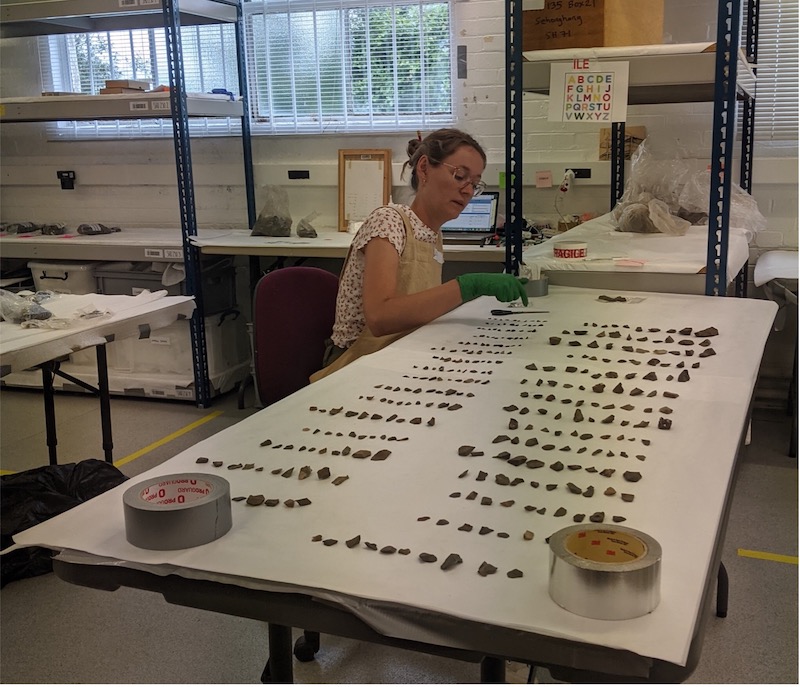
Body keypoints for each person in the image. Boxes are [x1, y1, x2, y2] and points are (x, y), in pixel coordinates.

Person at [311, 128, 528, 382]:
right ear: (424, 168)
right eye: (460, 176)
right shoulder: (388, 222)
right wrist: (467, 286)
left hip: (399, 354)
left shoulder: (432, 234)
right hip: (356, 364)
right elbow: (380, 317)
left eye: (475, 184)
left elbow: (419, 309)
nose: (468, 191)